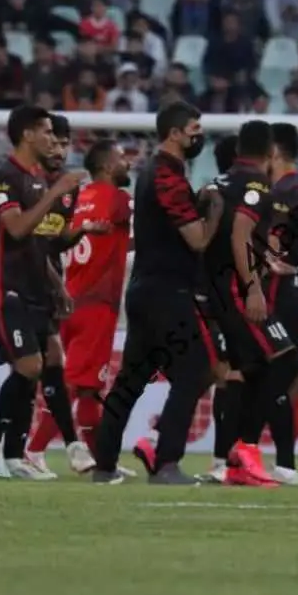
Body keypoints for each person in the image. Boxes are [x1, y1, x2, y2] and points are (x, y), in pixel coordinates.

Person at [92, 101, 224, 485]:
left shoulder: (155, 172)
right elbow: (197, 239)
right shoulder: (167, 176)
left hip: (144, 288)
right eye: (194, 129)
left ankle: (104, 465)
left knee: (130, 381)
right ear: (175, 133)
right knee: (195, 370)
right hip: (167, 291)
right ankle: (166, 462)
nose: (199, 136)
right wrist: (213, 209)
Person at [0, 105, 85, 480]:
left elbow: (39, 243)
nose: (53, 140)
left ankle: (14, 455)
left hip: (36, 286)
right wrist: (57, 191)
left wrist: (57, 284)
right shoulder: (2, 179)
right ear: (27, 135)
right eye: (47, 132)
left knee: (42, 365)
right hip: (6, 286)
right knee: (29, 365)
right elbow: (18, 228)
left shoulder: (36, 180)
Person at [25, 139, 135, 478]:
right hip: (98, 303)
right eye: (122, 158)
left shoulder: (77, 198)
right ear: (107, 166)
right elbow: (141, 232)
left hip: (70, 299)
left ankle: (104, 460)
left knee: (89, 388)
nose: (128, 164)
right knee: (74, 384)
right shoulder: (118, 198)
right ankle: (34, 449)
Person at [203, 120, 298, 488]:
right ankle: (243, 449)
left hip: (212, 287)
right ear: (271, 151)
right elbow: (240, 232)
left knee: (247, 369)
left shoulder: (216, 183)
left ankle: (236, 459)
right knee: (285, 359)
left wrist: (264, 257)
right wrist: (253, 288)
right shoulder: (257, 184)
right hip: (237, 288)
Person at [20, 113, 97, 478]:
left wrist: (83, 230)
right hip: (21, 283)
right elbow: (31, 244)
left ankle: (36, 448)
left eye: (65, 144)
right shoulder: (29, 184)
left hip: (45, 286)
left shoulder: (68, 189)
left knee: (46, 367)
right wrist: (60, 285)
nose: (59, 150)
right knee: (38, 367)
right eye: (54, 142)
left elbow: (55, 241)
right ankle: (56, 446)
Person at [254, 122, 298, 485]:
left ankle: (244, 451)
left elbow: (274, 247)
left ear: (274, 152)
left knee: (263, 377)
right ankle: (281, 462)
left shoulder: (282, 192)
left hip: (279, 293)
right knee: (278, 379)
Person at [203, 135, 247, 484]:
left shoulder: (207, 191)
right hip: (231, 294)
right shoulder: (245, 194)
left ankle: (227, 456)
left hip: (203, 292)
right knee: (229, 375)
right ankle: (224, 459)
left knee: (221, 375)